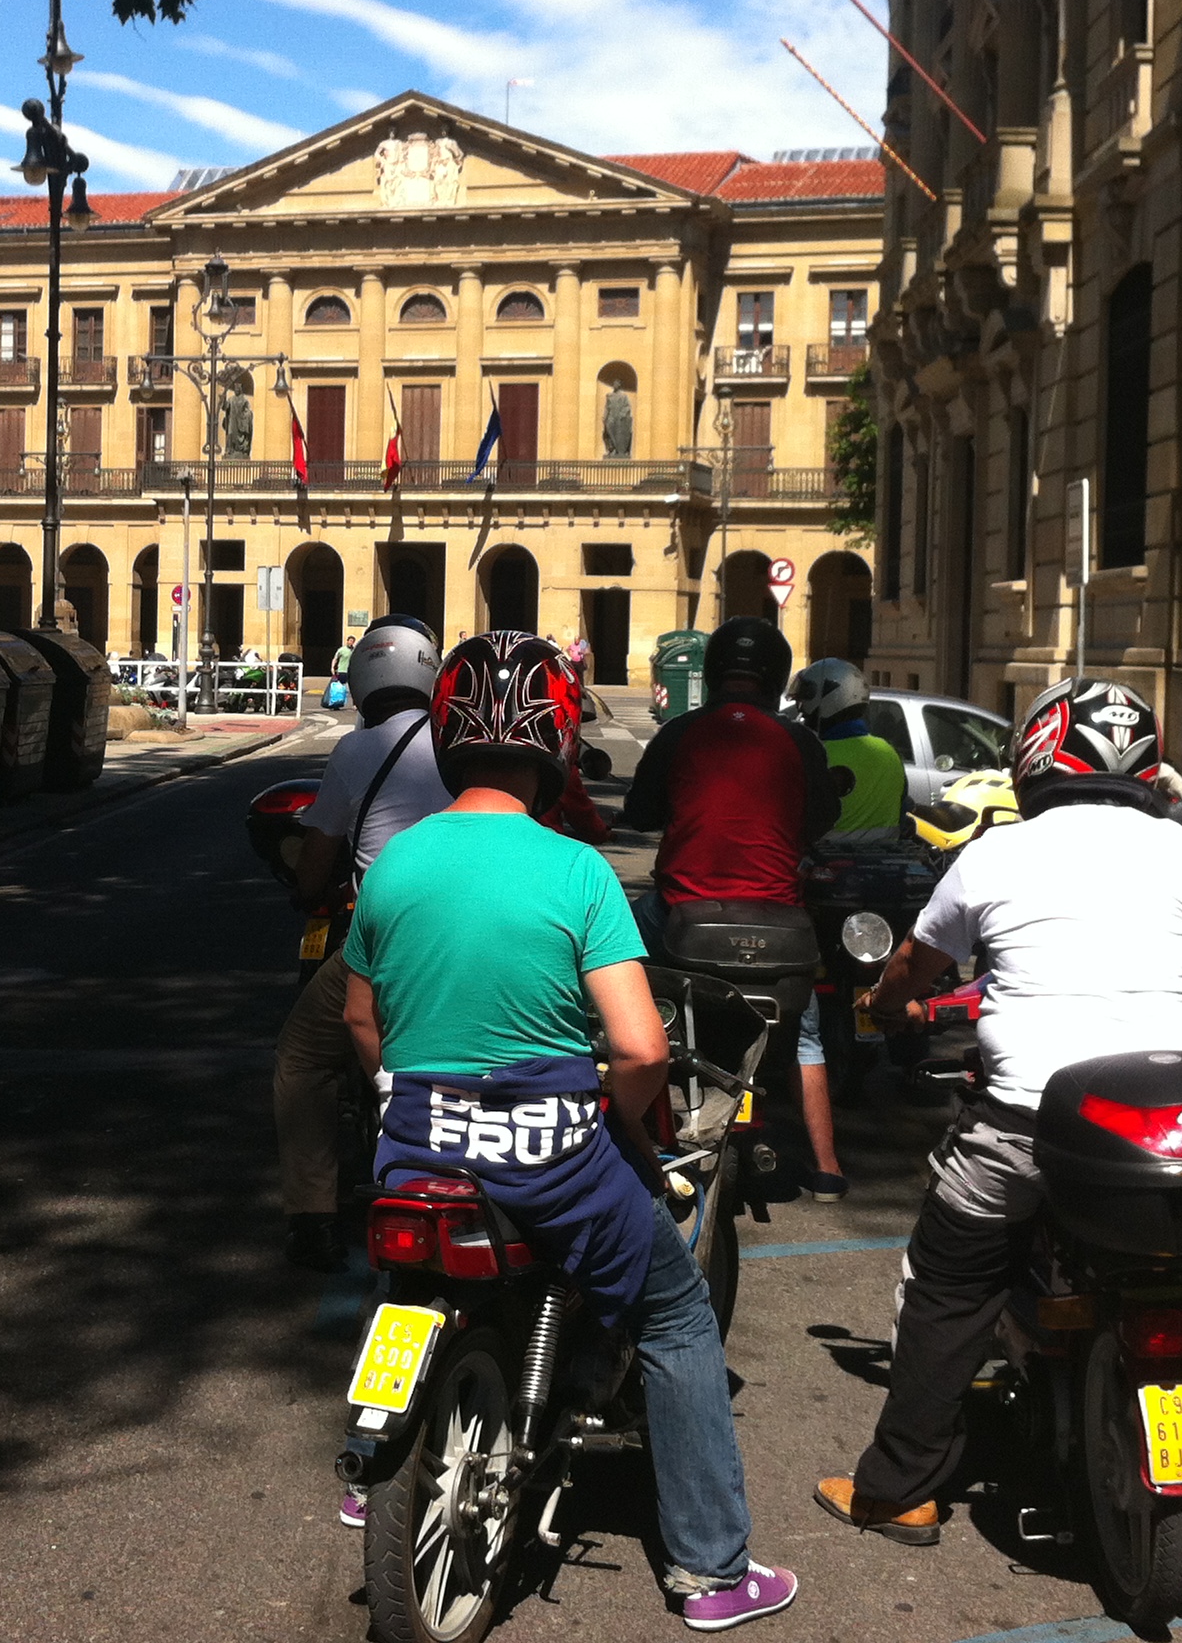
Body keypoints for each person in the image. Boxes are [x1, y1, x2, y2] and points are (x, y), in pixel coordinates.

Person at [342, 632, 798, 1631]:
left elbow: (360, 1022)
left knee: (406, 1266)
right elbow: (638, 1050)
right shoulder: (578, 872)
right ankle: (714, 1570)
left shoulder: (393, 866)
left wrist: (411, 1090)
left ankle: (377, 1456)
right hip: (550, 1155)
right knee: (675, 1316)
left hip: (420, 1143)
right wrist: (612, 1117)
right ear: (556, 734)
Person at [813, 678, 1182, 1542]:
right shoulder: (1181, 851)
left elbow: (913, 967)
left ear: (1034, 756)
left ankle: (899, 1490)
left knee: (946, 1288)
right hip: (1168, 1129)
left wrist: (890, 1011)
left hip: (1028, 1126)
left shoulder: (997, 853)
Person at [617, 616, 847, 1198]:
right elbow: (822, 819)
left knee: (614, 970)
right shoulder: (799, 741)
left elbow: (639, 813)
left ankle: (635, 1132)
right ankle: (827, 1169)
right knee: (809, 1037)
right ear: (775, 678)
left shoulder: (679, 734)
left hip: (683, 918)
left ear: (713, 672)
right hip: (782, 925)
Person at [272, 615, 450, 1270]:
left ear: (364, 677)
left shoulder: (355, 751)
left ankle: (313, 1222)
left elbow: (318, 862)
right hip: (464, 934)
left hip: (383, 943)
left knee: (302, 1057)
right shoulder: (462, 741)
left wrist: (301, 888)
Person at [790, 658, 904, 832]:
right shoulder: (889, 753)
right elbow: (903, 808)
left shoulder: (814, 754)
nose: (802, 709)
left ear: (831, 698)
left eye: (806, 699)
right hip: (884, 855)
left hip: (819, 856)